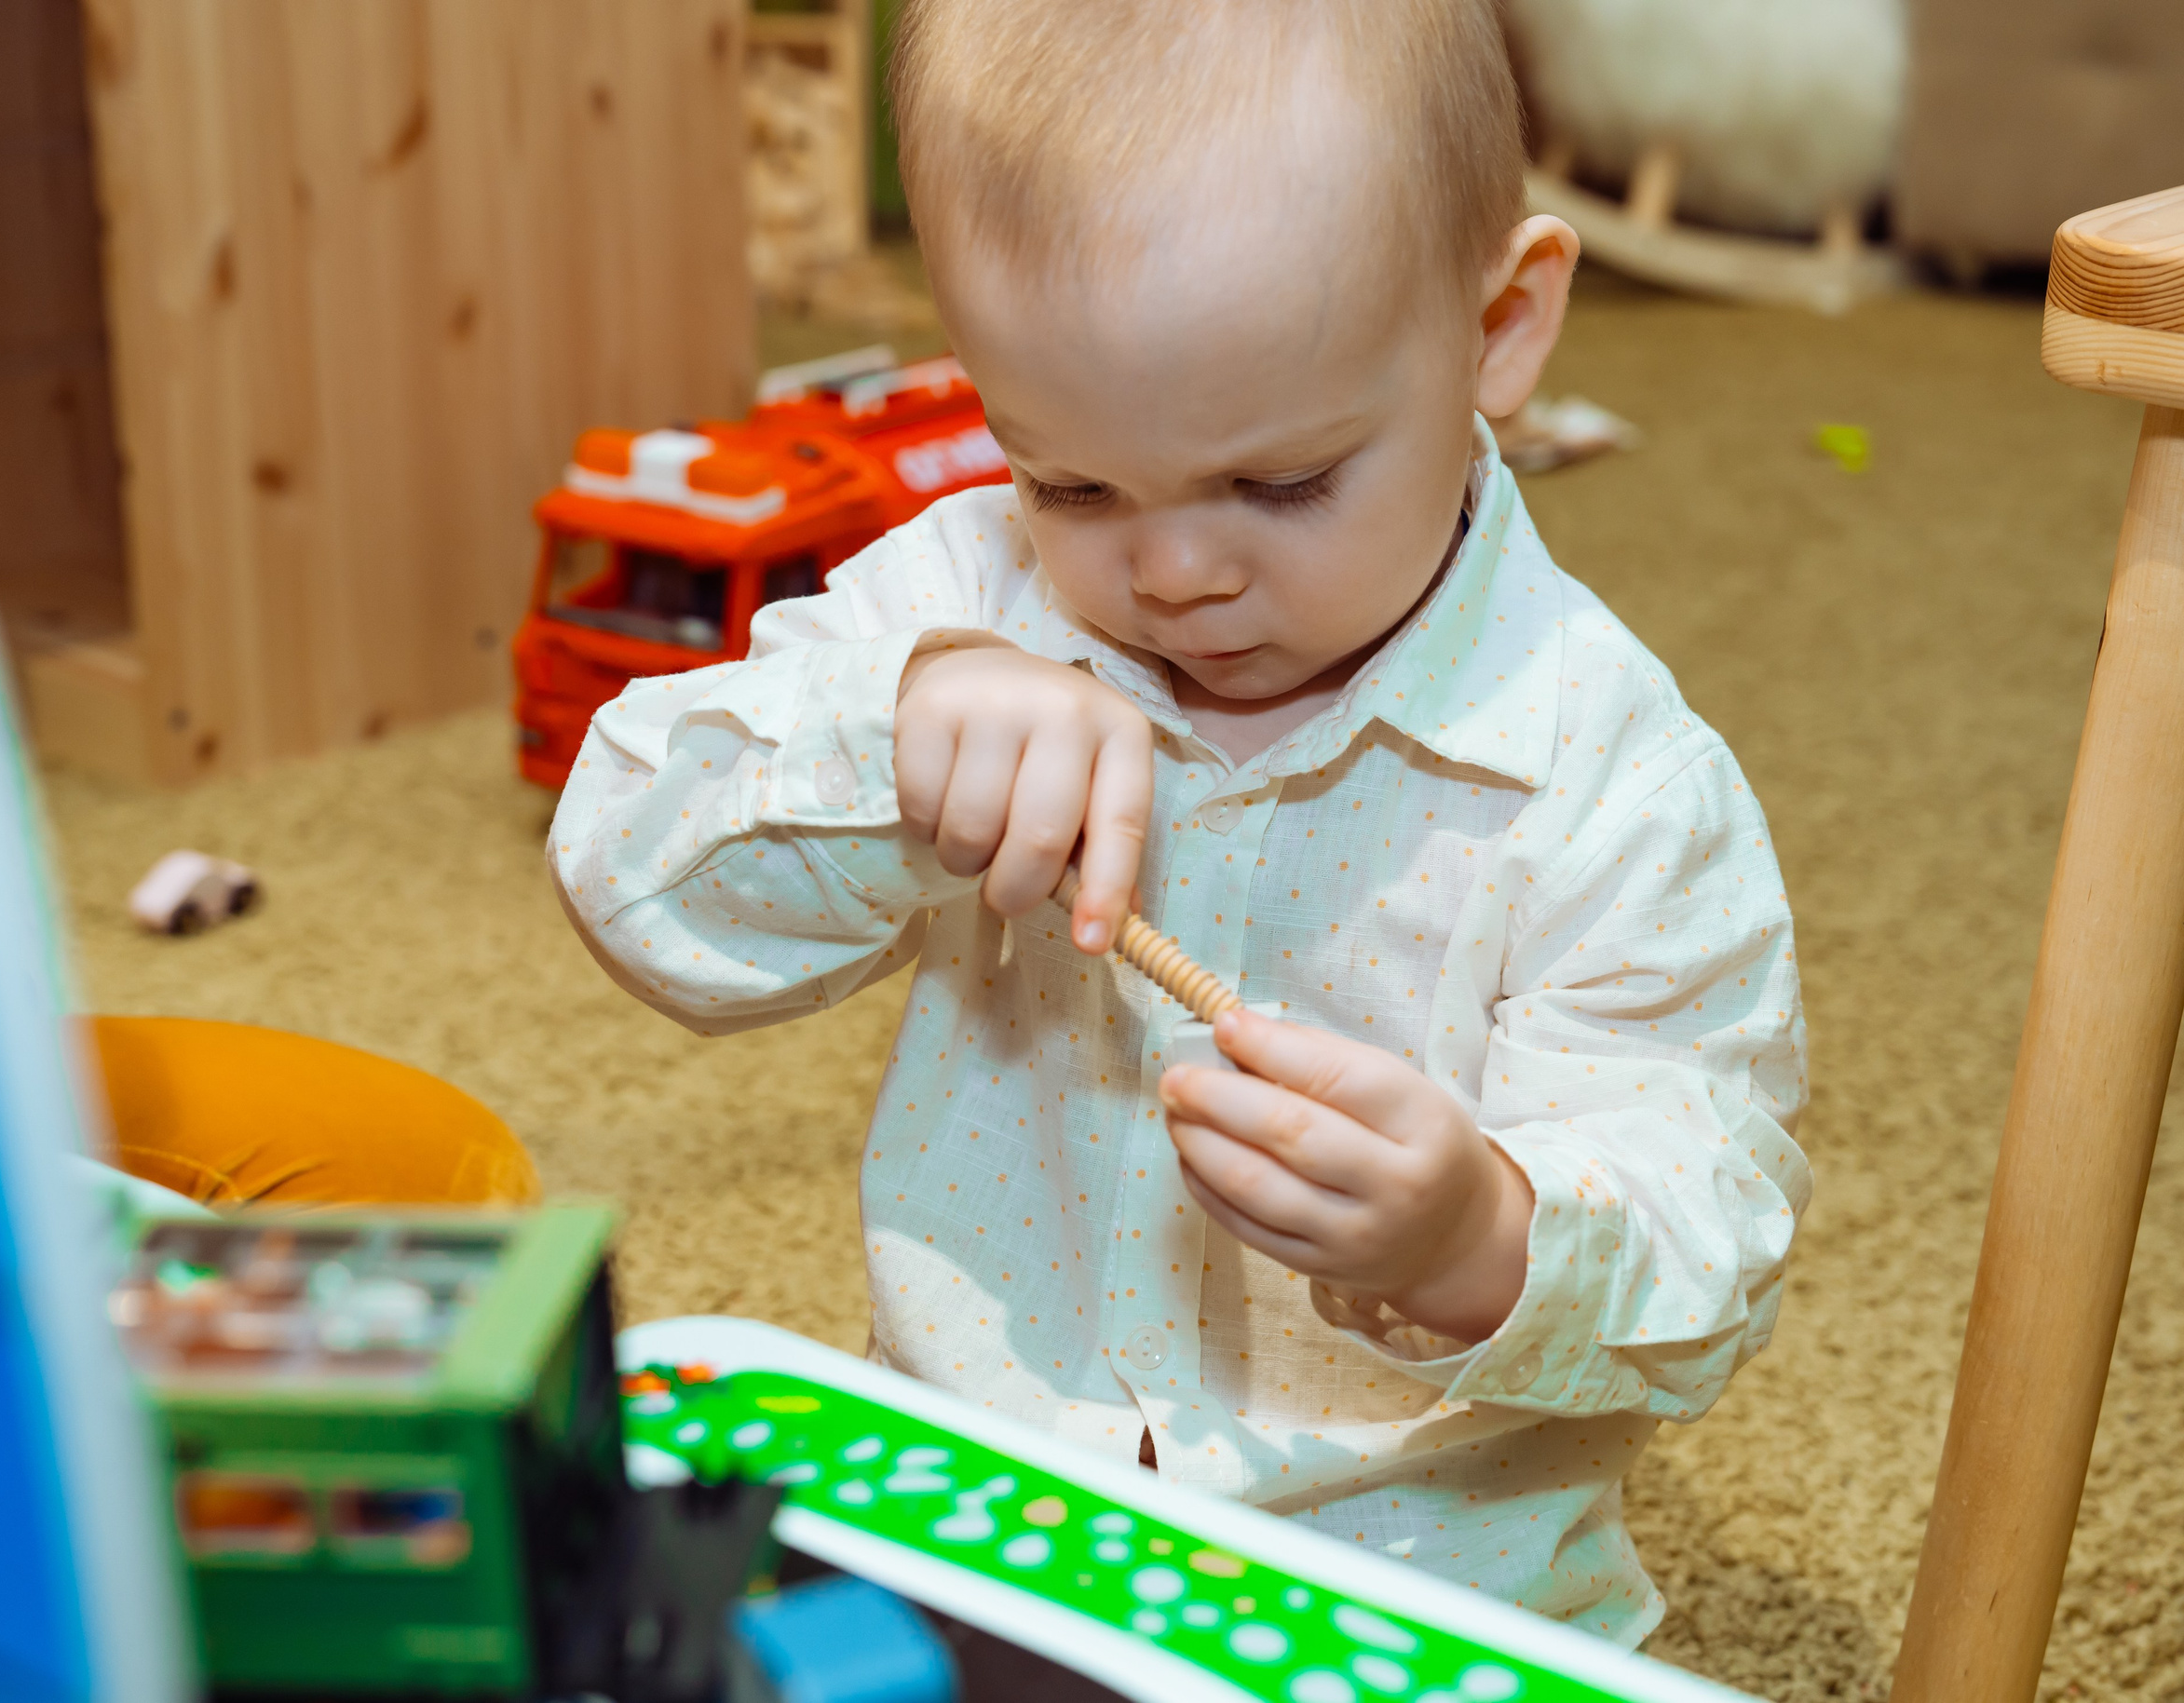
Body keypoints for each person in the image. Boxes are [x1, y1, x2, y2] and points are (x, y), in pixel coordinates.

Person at [549, 0, 1806, 1644]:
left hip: (1409, 1575)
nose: (1175, 574)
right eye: (1071, 483)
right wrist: (887, 747)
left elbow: (1709, 1242)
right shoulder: (970, 604)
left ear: (1500, 323)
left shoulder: (1613, 779)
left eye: (1281, 483)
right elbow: (626, 861)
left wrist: (1477, 1230)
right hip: (981, 1516)